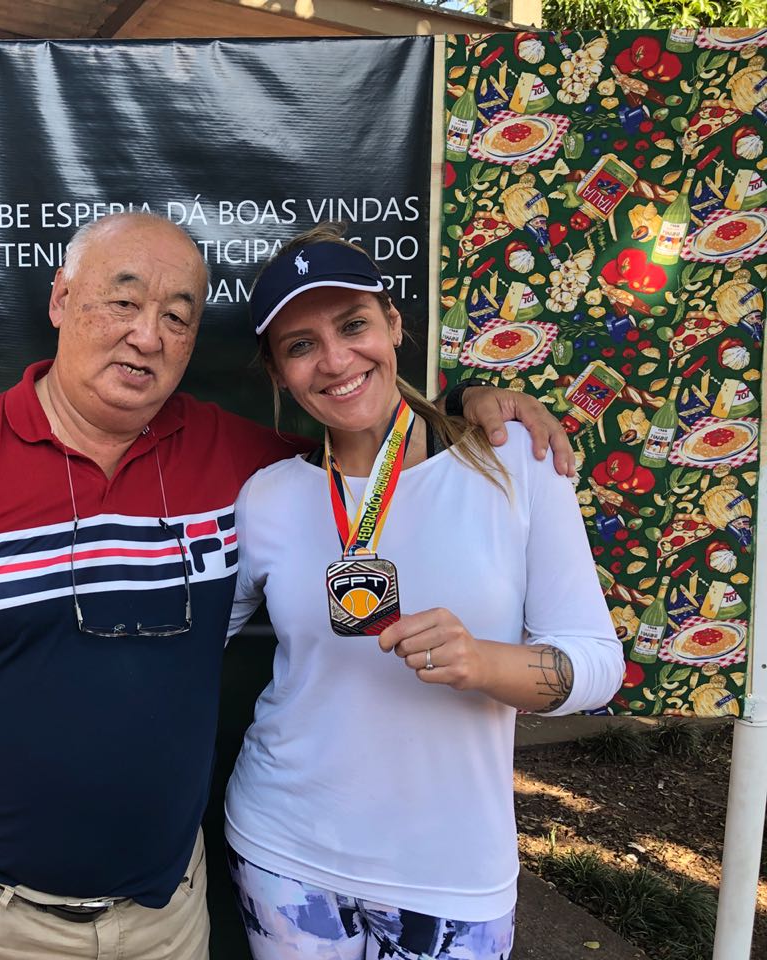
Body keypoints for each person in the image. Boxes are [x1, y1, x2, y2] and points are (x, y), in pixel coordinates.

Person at [0, 212, 574, 960]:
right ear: (60, 299)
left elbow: (364, 434)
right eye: (123, 300)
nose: (148, 335)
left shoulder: (240, 461)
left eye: (177, 317)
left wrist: (469, 404)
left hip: (167, 920)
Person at [225, 225, 623, 960]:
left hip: (451, 877)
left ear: (394, 325)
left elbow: (598, 665)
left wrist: (484, 662)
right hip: (282, 850)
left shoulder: (511, 461)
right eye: (301, 345)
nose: (335, 360)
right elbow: (195, 635)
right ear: (278, 373)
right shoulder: (267, 497)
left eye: (353, 326)